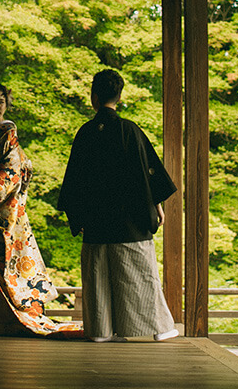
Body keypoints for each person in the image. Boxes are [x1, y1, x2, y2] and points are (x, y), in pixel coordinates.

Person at [0, 82, 83, 338]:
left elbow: (11, 170)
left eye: (1, 101)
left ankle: (1, 320)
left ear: (6, 104)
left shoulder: (9, 133)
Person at [58, 68, 179, 342]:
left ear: (95, 97)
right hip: (130, 222)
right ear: (119, 97)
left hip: (96, 223)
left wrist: (76, 217)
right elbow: (147, 172)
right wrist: (156, 206)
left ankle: (100, 330)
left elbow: (75, 179)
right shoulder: (129, 130)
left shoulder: (86, 132)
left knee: (97, 277)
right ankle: (160, 329)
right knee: (143, 277)